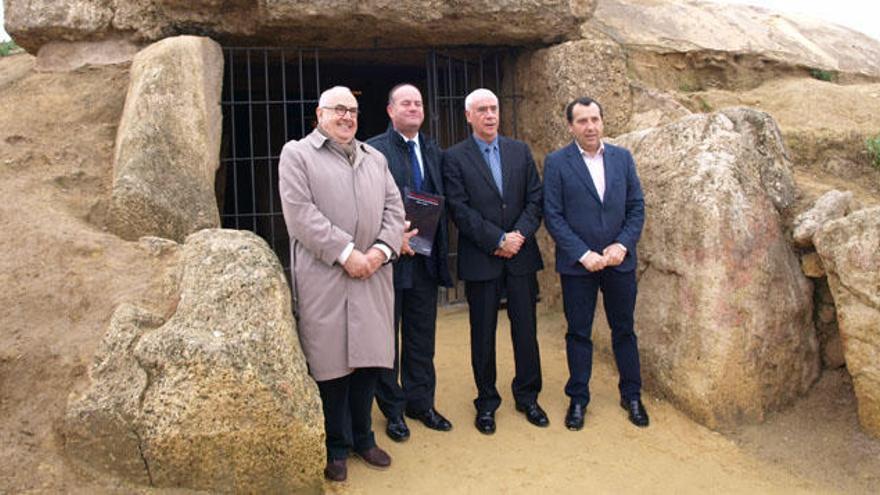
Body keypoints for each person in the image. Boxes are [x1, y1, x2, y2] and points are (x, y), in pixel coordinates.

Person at [278, 86, 406, 482]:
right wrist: (347, 254)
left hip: (373, 273)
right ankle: (335, 446)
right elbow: (301, 216)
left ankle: (364, 438)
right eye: (338, 110)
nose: (347, 117)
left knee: (368, 361)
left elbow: (394, 208)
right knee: (331, 364)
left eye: (352, 111)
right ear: (320, 114)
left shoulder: (375, 158)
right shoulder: (297, 155)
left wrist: (381, 252)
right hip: (327, 275)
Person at [542, 96, 649, 431]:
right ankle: (578, 398)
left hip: (619, 262)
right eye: (583, 121)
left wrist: (622, 244)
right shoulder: (557, 163)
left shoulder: (622, 158)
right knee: (578, 332)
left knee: (624, 330)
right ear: (571, 126)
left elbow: (636, 207)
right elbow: (553, 216)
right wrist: (583, 253)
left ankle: (631, 394)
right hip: (579, 266)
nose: (590, 126)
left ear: (603, 122)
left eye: (595, 119)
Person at [443, 88, 546, 435]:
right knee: (482, 333)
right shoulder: (454, 157)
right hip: (482, 260)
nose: (490, 115)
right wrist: (496, 240)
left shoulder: (520, 151)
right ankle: (486, 402)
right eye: (482, 110)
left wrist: (516, 236)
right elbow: (458, 208)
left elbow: (535, 199)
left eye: (494, 109)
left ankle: (528, 396)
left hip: (521, 258)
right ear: (468, 116)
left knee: (526, 331)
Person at [366, 83, 455, 442]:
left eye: (418, 103)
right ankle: (393, 410)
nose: (414, 108)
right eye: (406, 103)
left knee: (422, 336)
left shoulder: (433, 149)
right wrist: (392, 239)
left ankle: (422, 403)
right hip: (389, 259)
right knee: (387, 339)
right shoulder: (374, 151)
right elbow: (365, 204)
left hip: (425, 258)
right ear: (391, 111)